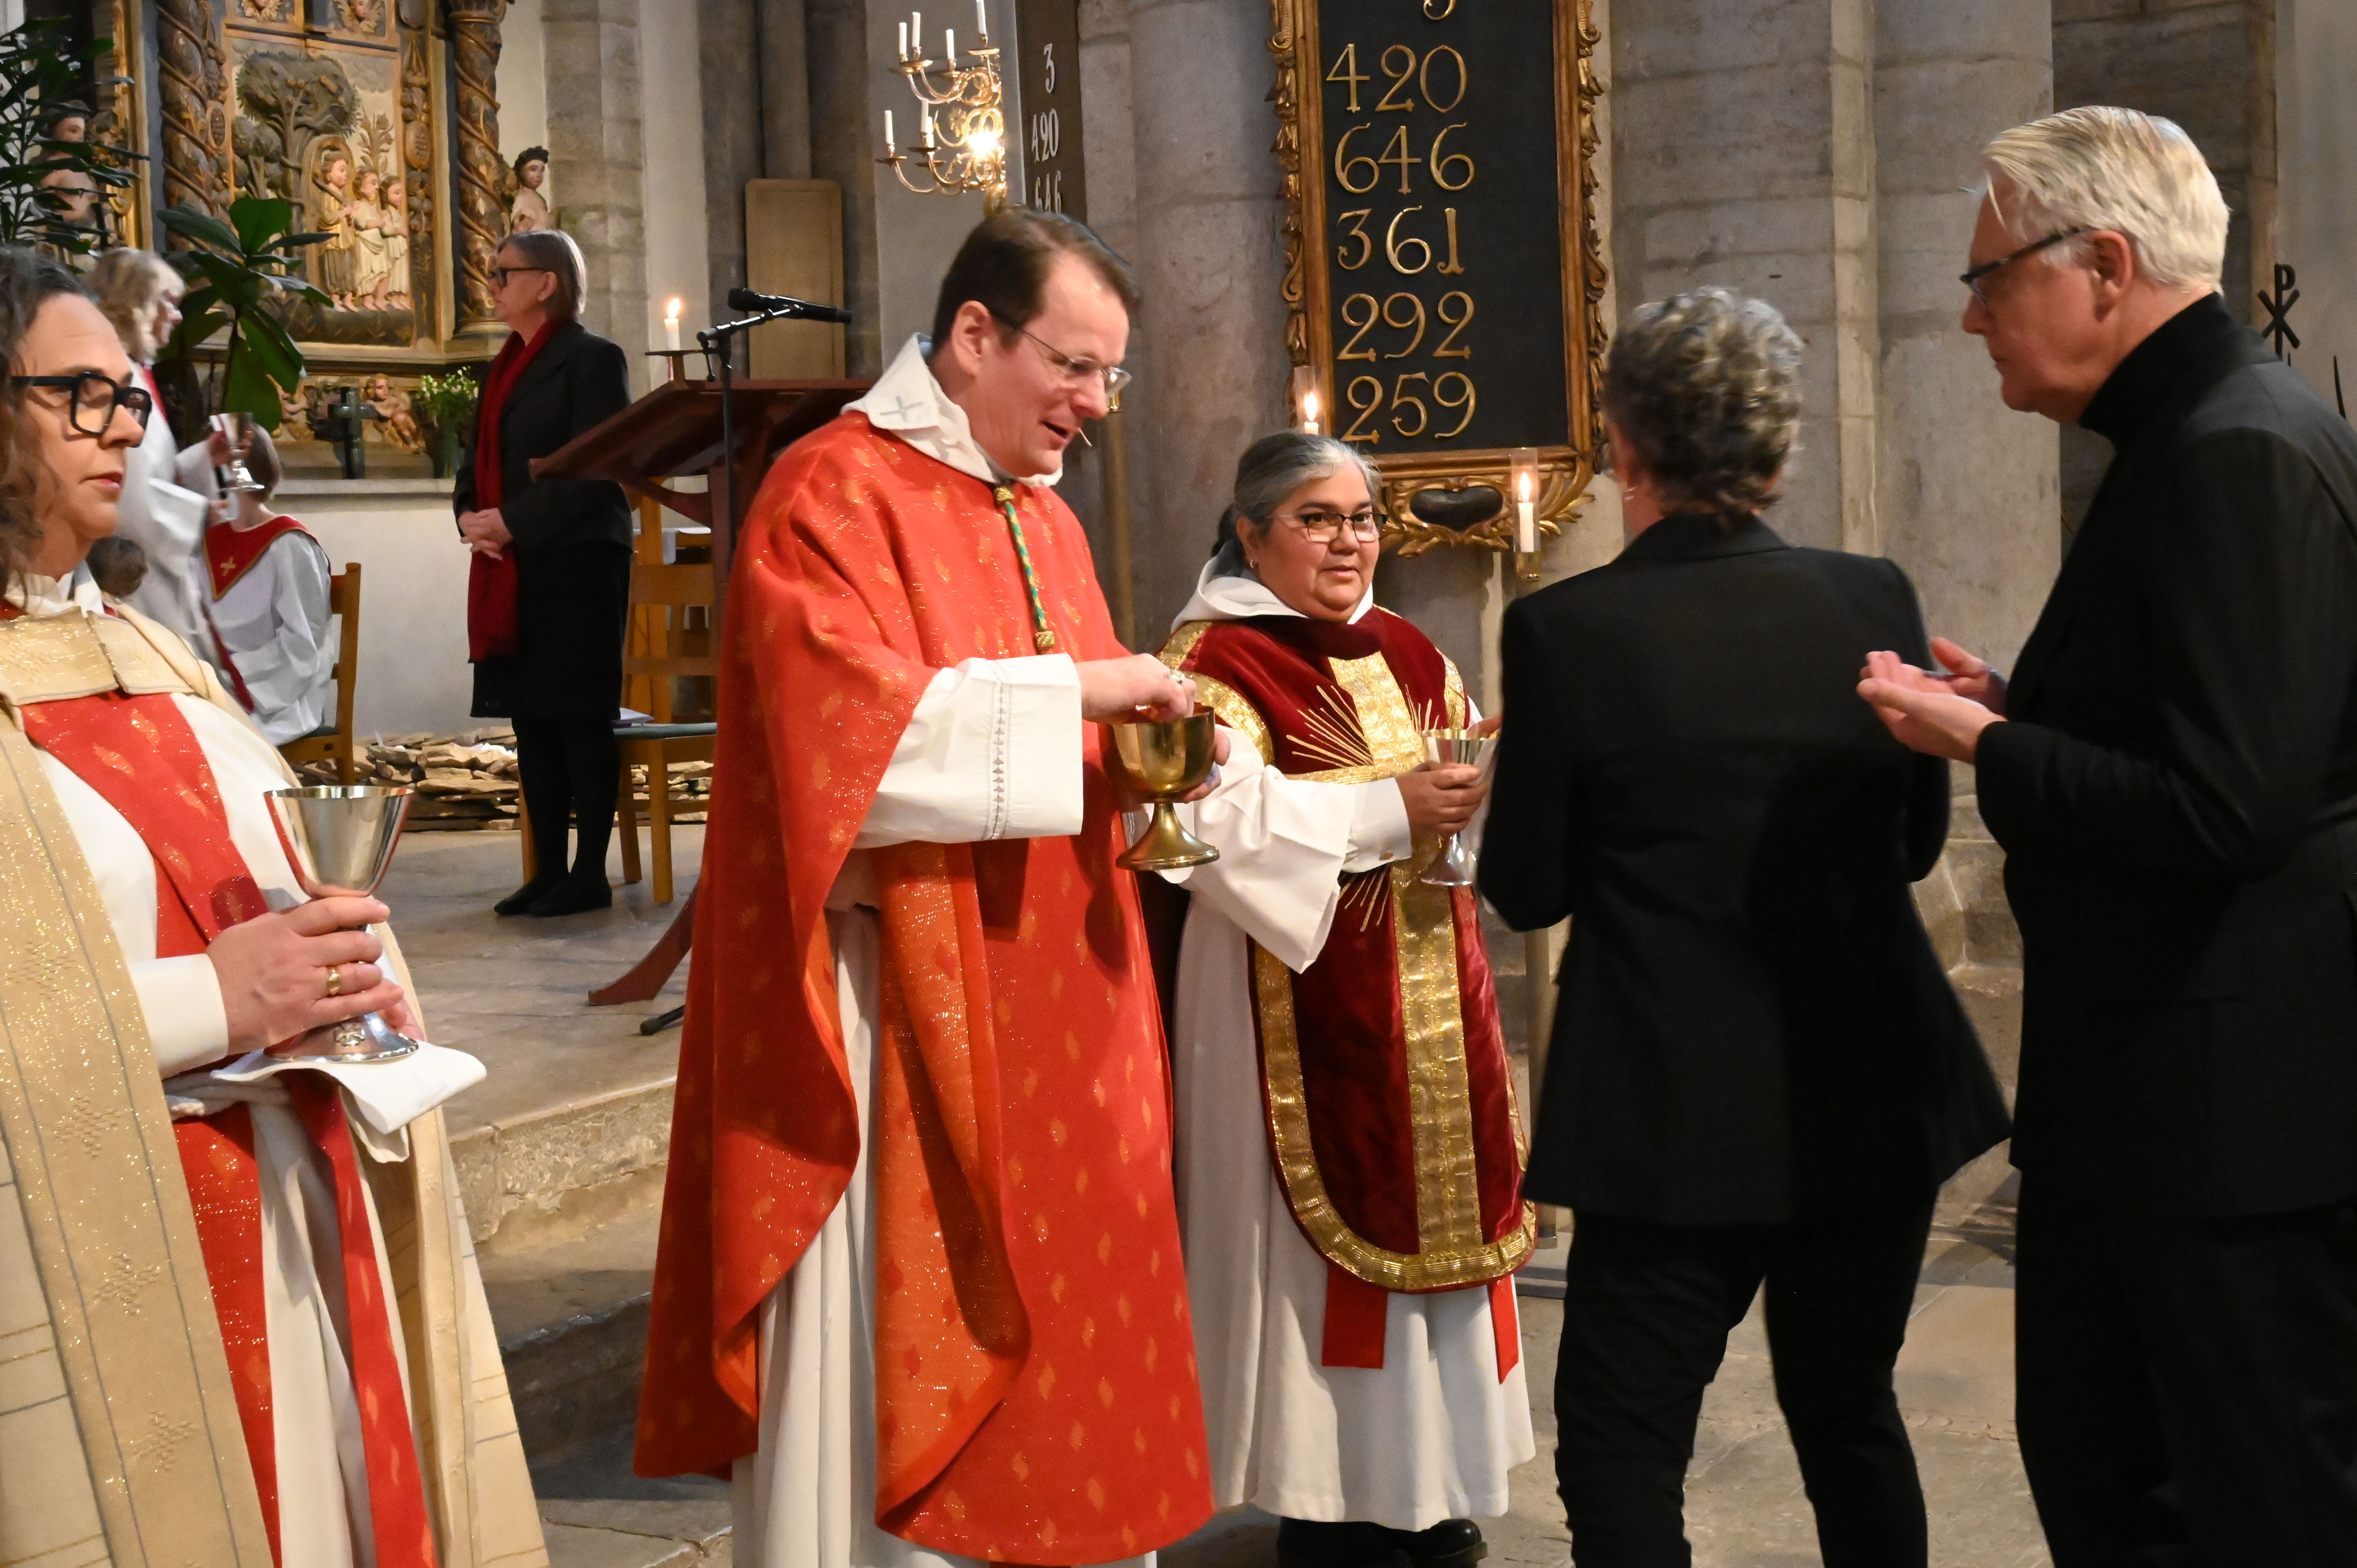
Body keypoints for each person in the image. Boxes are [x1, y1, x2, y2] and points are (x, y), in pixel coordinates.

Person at [636, 207, 1218, 1567]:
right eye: (1073, 365)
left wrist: (1145, 762)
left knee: (1072, 1374)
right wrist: (1081, 694)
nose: (1096, 403)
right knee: (901, 1385)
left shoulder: (1045, 518)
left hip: (1062, 1015)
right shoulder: (831, 491)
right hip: (900, 1012)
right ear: (972, 335)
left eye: (1110, 374)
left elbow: (1061, 747)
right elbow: (837, 745)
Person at [1856, 107, 2357, 1563]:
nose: (1971, 319)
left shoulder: (2232, 450)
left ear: (2105, 266)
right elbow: (2222, 726)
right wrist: (2023, 708)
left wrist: (1988, 748)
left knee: (2241, 1499)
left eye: (1988, 278)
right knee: (2112, 1466)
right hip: (2181, 1094)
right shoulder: (2200, 433)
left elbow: (2227, 804)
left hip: (2225, 1118)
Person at [0, 245, 548, 1568]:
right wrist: (219, 998)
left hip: (296, 1228)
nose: (124, 424)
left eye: (129, 393)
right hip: (100, 1282)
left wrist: (351, 973)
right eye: (81, 394)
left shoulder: (152, 656)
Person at [1481, 287, 2009, 1568]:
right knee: (1847, 1408)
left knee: (1622, 1439)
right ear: (1778, 450)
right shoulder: (1869, 595)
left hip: (1668, 1103)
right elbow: (1909, 847)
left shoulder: (1563, 627)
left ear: (1625, 446)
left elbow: (1529, 889)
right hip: (1865, 1083)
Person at [1155, 431, 1530, 1568]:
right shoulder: (1211, 663)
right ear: (1251, 531)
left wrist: (1459, 799)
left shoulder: (1409, 645)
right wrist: (1387, 811)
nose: (1348, 541)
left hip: (1432, 995)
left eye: (1361, 518)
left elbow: (1452, 776)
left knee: (1444, 1235)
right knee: (1309, 1262)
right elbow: (1205, 828)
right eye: (1316, 519)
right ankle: (1328, 1503)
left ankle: (1433, 1482)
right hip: (1285, 1005)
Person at [454, 226, 633, 916]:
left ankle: (589, 874)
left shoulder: (593, 359)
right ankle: (548, 870)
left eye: (504, 273)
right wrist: (470, 517)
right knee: (532, 721)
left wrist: (513, 522)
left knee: (578, 717)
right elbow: (474, 463)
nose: (492, 285)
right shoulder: (500, 368)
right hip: (515, 564)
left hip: (578, 560)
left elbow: (596, 466)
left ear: (546, 283)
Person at [87, 245, 217, 657]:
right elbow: (128, 491)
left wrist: (204, 456)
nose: (177, 316)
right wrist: (202, 514)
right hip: (131, 576)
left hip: (151, 569)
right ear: (135, 304)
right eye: (168, 302)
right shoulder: (117, 378)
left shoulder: (135, 372)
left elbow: (152, 471)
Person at [202, 427, 335, 743]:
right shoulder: (207, 541)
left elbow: (303, 642)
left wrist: (232, 673)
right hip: (214, 682)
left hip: (275, 695)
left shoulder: (290, 543)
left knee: (213, 739)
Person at [511, 146, 551, 233]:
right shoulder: (519, 197)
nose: (539, 175)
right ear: (521, 172)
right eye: (533, 170)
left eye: (542, 171)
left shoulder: (541, 200)